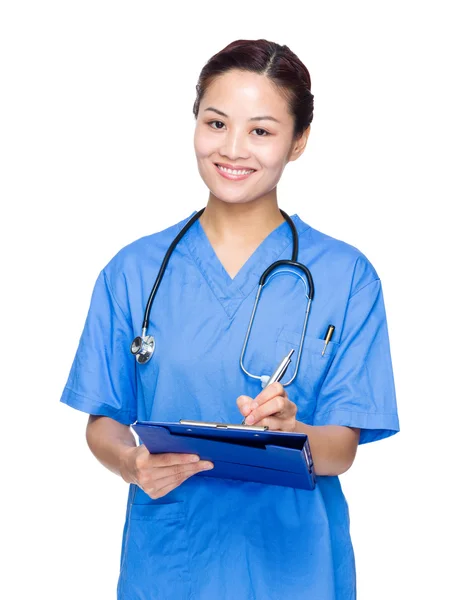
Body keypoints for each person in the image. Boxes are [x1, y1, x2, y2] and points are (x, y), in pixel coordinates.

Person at [60, 38, 400, 600]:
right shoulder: (133, 271)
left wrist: (294, 432)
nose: (233, 148)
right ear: (194, 122)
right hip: (171, 565)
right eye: (216, 123)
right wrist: (130, 463)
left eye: (261, 130)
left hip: (296, 570)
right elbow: (103, 420)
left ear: (299, 142)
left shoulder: (347, 276)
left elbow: (341, 448)